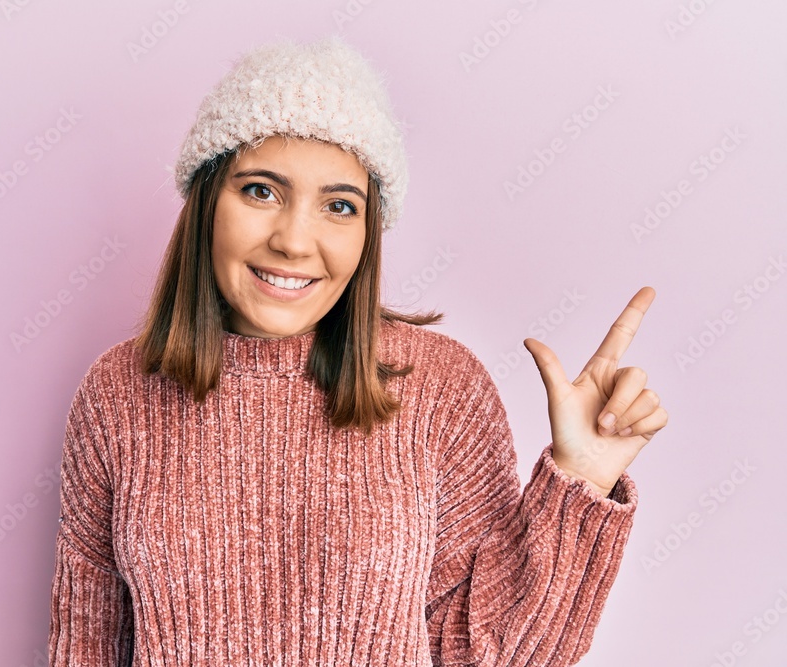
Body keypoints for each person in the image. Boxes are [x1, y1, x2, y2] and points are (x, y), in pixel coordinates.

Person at [46, 35, 667, 666]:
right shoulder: (116, 395)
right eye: (261, 190)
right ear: (208, 201)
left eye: (339, 206)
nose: (293, 240)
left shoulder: (439, 390)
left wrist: (583, 480)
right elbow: (85, 650)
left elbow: (487, 656)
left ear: (367, 233)